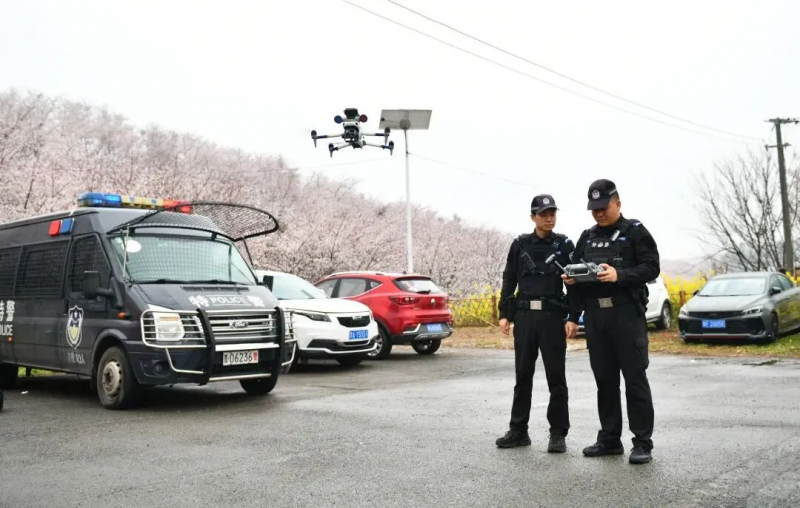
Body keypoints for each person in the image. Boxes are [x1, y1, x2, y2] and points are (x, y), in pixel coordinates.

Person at [563, 179, 660, 465]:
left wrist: (620, 275)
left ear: (617, 203)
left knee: (634, 379)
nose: (599, 213)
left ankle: (642, 442)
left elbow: (652, 267)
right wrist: (572, 286)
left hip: (625, 315)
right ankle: (609, 439)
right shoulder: (586, 237)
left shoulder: (635, 232)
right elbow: (575, 276)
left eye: (603, 207)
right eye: (594, 208)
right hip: (596, 317)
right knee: (605, 381)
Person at [495, 194, 581, 452]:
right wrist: (504, 314)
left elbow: (575, 284)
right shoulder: (520, 245)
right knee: (523, 376)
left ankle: (558, 433)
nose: (549, 218)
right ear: (533, 217)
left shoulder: (564, 245)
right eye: (543, 214)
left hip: (552, 318)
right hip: (524, 318)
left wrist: (573, 317)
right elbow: (509, 279)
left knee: (556, 378)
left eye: (552, 213)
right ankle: (518, 430)